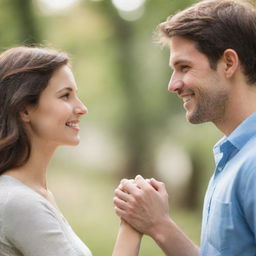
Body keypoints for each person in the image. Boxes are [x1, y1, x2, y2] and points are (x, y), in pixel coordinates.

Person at [113, 0, 256, 255]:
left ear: (228, 63)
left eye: (184, 67)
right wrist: (158, 224)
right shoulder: (234, 157)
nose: (173, 85)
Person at [0, 46, 141, 256]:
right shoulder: (19, 203)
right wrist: (132, 224)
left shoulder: (37, 194)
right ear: (24, 109)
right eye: (65, 96)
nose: (82, 108)